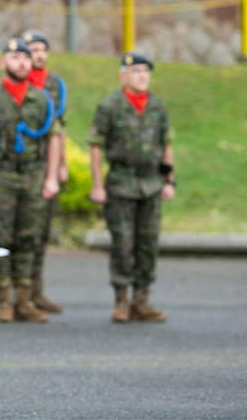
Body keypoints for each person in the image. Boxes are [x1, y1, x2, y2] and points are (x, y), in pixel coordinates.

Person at [0, 37, 62, 323]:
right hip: (1, 176)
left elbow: (54, 138)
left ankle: (24, 299)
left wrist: (52, 177)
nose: (21, 62)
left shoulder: (41, 98)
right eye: (14, 57)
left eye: (24, 57)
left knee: (29, 237)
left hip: (33, 175)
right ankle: (5, 299)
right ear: (3, 62)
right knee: (0, 237)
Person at [88, 51, 175, 323]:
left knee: (148, 243)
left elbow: (166, 145)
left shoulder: (157, 106)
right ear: (123, 76)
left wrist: (169, 179)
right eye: (136, 71)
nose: (142, 76)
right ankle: (122, 301)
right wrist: (98, 185)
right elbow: (95, 147)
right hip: (121, 184)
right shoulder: (110, 106)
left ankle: (142, 301)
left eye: (146, 72)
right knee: (123, 244)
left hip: (151, 184)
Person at [22, 29, 68, 313]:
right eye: (32, 50)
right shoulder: (14, 83)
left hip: (43, 166)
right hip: (16, 165)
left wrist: (61, 165)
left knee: (40, 231)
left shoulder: (54, 85)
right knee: (18, 233)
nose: (38, 55)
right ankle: (16, 294)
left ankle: (36, 290)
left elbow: (59, 129)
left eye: (42, 49)